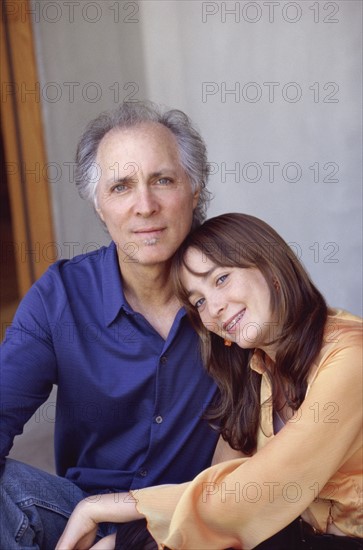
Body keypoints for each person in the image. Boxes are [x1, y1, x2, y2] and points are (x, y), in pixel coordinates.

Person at [56, 213, 362, 550]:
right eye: (198, 301)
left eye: (221, 279)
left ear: (272, 268)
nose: (213, 308)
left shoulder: (350, 356)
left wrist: (109, 506)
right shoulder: (258, 367)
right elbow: (219, 486)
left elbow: (264, 487)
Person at [0, 101, 220, 549]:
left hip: (195, 523)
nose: (145, 206)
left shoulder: (230, 294)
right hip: (83, 516)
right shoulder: (59, 297)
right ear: (100, 206)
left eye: (163, 180)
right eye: (121, 186)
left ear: (194, 190)